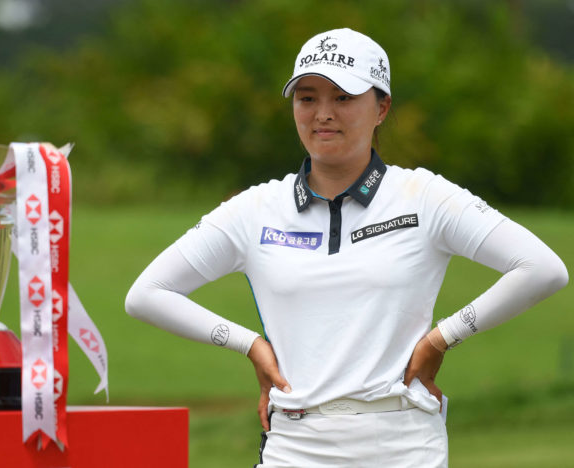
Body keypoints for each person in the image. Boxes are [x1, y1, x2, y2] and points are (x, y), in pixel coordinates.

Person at [124, 28, 568, 467]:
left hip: (404, 447)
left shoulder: (425, 197)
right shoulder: (255, 209)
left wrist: (443, 337)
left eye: (343, 98)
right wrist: (249, 344)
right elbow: (147, 295)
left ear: (382, 108)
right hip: (294, 447)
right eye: (308, 97)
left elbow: (542, 268)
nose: (323, 114)